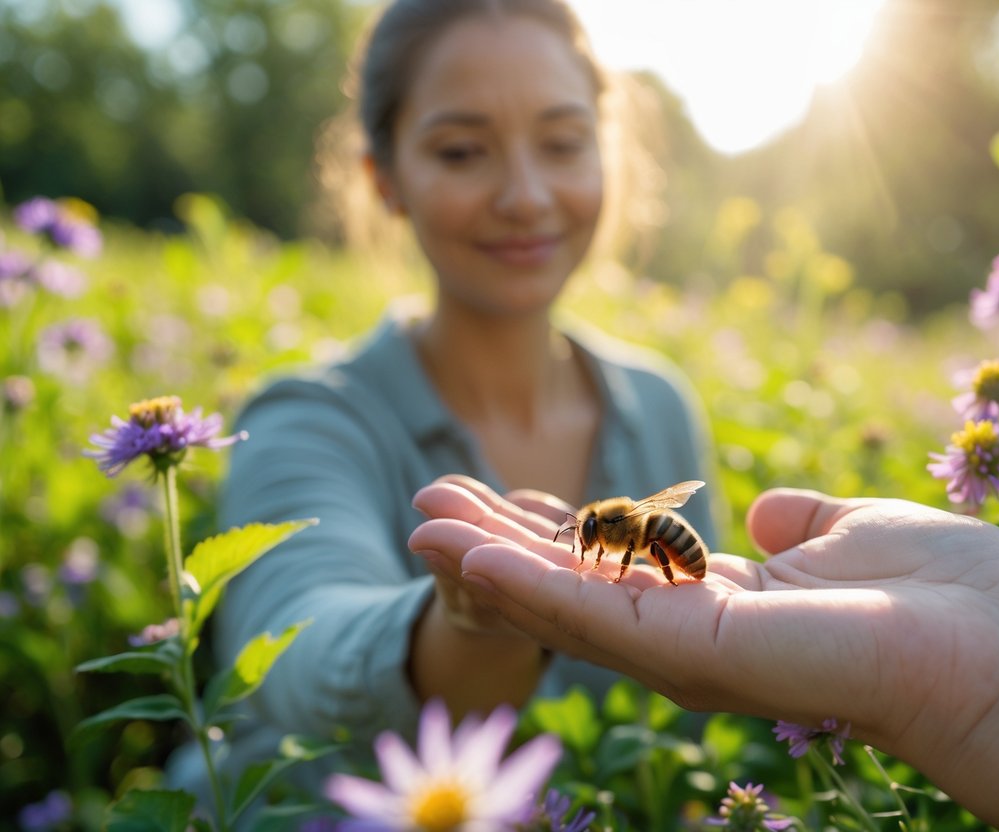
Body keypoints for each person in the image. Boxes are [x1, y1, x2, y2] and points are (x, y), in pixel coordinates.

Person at [169, 0, 717, 809]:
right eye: (462, 151)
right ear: (384, 179)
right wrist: (469, 618)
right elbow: (294, 647)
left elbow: (695, 698)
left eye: (563, 144)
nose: (527, 195)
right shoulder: (302, 420)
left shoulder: (661, 408)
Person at [410, 476, 999, 832]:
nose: (590, 543)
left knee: (653, 548)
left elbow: (637, 542)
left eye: (591, 536)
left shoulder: (629, 511)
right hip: (676, 556)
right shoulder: (621, 512)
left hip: (673, 555)